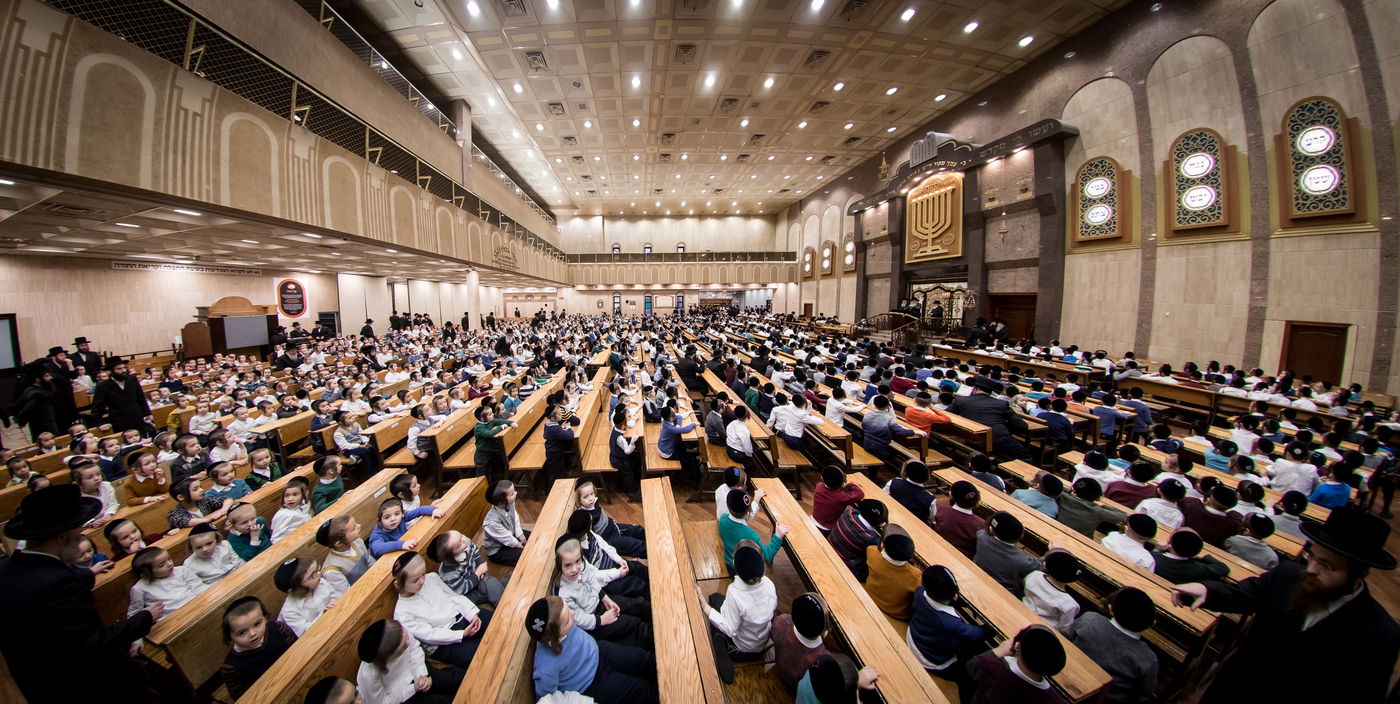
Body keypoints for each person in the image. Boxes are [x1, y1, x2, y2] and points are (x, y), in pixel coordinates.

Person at [1171, 508, 1400, 702]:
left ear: (1360, 573)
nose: (1311, 569)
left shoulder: (1380, 634)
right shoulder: (1288, 574)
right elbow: (1246, 593)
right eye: (1311, 557)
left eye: (1327, 565)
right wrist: (1208, 590)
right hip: (1235, 688)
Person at [0, 485, 162, 701]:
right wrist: (144, 618)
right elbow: (92, 646)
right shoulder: (59, 583)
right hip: (78, 683)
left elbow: (41, 596)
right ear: (62, 537)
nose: (81, 538)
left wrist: (87, 576)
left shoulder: (8, 567)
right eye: (77, 533)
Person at [524, 595, 659, 703]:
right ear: (552, 641)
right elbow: (548, 698)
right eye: (567, 619)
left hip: (599, 652)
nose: (573, 614)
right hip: (592, 683)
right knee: (639, 690)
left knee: (641, 659)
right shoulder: (546, 669)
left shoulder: (561, 622)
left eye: (568, 609)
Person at [392, 552, 490, 669]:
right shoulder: (402, 613)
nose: (422, 581)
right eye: (415, 580)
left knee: (496, 622)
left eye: (423, 574)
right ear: (398, 585)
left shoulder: (431, 578)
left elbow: (453, 597)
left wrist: (471, 614)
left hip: (459, 616)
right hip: (442, 642)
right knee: (482, 656)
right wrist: (461, 634)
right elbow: (429, 635)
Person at [1066, 587, 1158, 704]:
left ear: (1110, 609)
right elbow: (1143, 694)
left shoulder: (1089, 620)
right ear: (1152, 623)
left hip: (1070, 678)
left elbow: (1070, 636)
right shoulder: (1148, 658)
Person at [702, 541, 777, 683]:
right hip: (761, 643)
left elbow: (730, 629)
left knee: (713, 608)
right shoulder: (769, 584)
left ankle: (721, 647)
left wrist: (705, 607)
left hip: (742, 648)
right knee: (716, 598)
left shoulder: (734, 593)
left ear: (737, 568)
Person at [907, 565, 990, 683]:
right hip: (932, 660)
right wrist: (989, 629)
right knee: (969, 673)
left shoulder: (920, 592)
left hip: (913, 636)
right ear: (955, 596)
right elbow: (977, 634)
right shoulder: (950, 624)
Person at [356, 618, 463, 704]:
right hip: (403, 696)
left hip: (418, 672)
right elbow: (382, 701)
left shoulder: (402, 634)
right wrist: (413, 688)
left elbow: (415, 651)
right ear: (389, 657)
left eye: (407, 638)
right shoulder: (368, 676)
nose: (408, 642)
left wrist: (420, 675)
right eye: (403, 648)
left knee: (454, 679)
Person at [964, 625, 1066, 704]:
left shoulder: (989, 665)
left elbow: (971, 666)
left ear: (1017, 648)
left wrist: (998, 651)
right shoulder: (1055, 700)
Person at [220, 596, 298, 699]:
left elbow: (299, 652)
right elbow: (242, 698)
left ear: (265, 618)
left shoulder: (279, 628)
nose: (252, 634)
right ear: (230, 637)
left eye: (257, 624)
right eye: (242, 632)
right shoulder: (231, 667)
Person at [950, 377, 1032, 461]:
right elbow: (1022, 426)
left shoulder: (961, 400)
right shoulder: (1001, 404)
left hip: (971, 437)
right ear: (990, 392)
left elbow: (946, 415)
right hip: (997, 438)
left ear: (974, 389)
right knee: (1026, 458)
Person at [429, 529, 509, 606]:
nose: (464, 539)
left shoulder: (465, 542)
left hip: (474, 576)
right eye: (459, 544)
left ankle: (495, 590)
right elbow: (462, 589)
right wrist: (478, 574)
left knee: (497, 583)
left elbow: (475, 551)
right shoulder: (449, 572)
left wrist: (479, 565)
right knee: (490, 584)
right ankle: (505, 605)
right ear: (451, 556)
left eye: (461, 535)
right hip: (466, 593)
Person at [771, 593, 831, 694]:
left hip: (780, 670)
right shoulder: (824, 661)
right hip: (798, 691)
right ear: (825, 633)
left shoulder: (781, 621)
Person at [973, 511, 1041, 593]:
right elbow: (1038, 564)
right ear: (1021, 536)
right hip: (1002, 592)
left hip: (976, 577)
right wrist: (1053, 551)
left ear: (991, 530)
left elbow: (985, 531)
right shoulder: (1020, 560)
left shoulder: (982, 536)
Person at [718, 489, 787, 570]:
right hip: (745, 571)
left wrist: (756, 499)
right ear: (748, 510)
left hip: (729, 562)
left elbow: (748, 515)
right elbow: (767, 556)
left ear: (728, 505)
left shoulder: (723, 519)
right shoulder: (750, 535)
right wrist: (778, 536)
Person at [863, 528, 921, 619]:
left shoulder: (872, 552)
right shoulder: (915, 575)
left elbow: (875, 549)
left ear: (883, 545)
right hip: (896, 614)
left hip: (871, 595)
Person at [1021, 550, 1082, 633]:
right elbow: (1065, 629)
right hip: (1043, 631)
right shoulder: (1070, 604)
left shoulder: (1034, 575)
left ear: (1046, 566)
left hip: (1022, 613)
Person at [827, 499, 888, 581]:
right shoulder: (871, 539)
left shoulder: (849, 513)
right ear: (880, 523)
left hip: (831, 544)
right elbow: (881, 546)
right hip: (846, 564)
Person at [91, 357, 154, 434]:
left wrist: (147, 413)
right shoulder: (103, 385)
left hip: (137, 416)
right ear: (112, 371)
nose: (123, 370)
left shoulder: (132, 379)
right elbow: (97, 406)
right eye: (119, 369)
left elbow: (141, 398)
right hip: (119, 420)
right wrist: (99, 422)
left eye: (124, 367)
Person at [1152, 529, 1228, 584]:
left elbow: (1150, 559)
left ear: (1170, 544)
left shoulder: (1155, 557)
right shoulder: (1198, 569)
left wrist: (1157, 549)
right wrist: (1202, 557)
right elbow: (1223, 569)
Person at [483, 480, 529, 565]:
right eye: (512, 494)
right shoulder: (491, 522)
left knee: (533, 537)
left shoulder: (508, 503)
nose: (516, 493)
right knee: (526, 556)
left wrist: (520, 534)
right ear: (501, 502)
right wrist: (518, 544)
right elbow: (505, 537)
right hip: (498, 550)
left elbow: (514, 517)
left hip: (510, 534)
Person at [933, 480, 983, 558]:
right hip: (966, 559)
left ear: (951, 496)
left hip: (941, 550)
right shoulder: (980, 524)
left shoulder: (942, 511)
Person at [813, 465, 865, 532]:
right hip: (827, 528)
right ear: (842, 484)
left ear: (822, 478)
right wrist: (848, 484)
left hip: (814, 519)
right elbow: (860, 494)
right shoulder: (842, 497)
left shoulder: (819, 486)